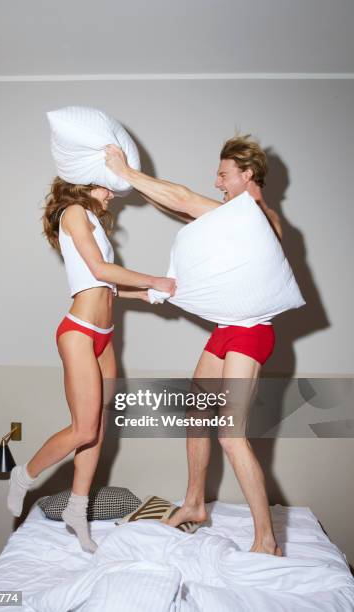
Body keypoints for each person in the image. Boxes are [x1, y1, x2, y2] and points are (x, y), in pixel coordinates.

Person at [105, 135, 283, 556]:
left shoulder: (256, 213)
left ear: (247, 174)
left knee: (231, 435)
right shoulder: (232, 218)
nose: (218, 182)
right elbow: (180, 207)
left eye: (223, 175)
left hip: (251, 332)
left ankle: (267, 541)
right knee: (196, 415)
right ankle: (195, 504)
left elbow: (185, 199)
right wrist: (121, 290)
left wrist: (125, 173)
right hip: (227, 330)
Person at [7, 176, 176, 553]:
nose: (112, 193)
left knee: (98, 428)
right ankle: (25, 474)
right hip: (79, 332)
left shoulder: (95, 221)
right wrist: (153, 278)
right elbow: (99, 271)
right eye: (105, 186)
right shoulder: (74, 212)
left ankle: (77, 510)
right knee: (83, 429)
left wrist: (145, 293)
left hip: (105, 336)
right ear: (83, 184)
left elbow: (107, 287)